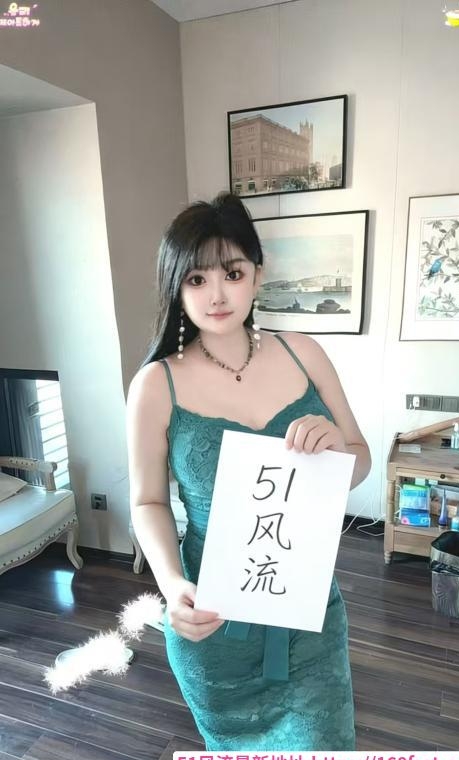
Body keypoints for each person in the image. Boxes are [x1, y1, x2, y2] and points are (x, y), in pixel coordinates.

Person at [126, 192, 371, 751]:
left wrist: (339, 448)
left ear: (258, 275)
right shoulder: (156, 385)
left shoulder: (304, 354)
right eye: (196, 279)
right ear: (175, 288)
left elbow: (359, 459)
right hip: (213, 623)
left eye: (232, 273)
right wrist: (171, 585)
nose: (216, 295)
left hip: (306, 612)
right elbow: (147, 501)